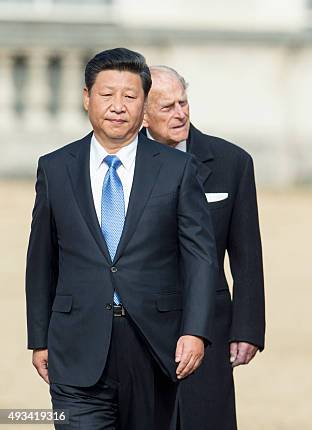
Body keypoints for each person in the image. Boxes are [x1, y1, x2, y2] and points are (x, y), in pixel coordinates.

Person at [25, 48, 218, 429]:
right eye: (106, 94)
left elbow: (200, 257)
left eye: (130, 97)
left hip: (154, 344)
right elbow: (41, 259)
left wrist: (195, 330)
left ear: (144, 104)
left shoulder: (178, 169)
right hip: (76, 343)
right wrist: (39, 336)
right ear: (86, 98)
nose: (117, 106)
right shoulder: (55, 167)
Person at [142, 65, 265, 430]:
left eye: (183, 102)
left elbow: (247, 257)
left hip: (210, 325)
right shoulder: (121, 164)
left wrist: (247, 328)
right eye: (167, 107)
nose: (180, 113)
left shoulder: (232, 163)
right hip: (142, 324)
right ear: (143, 115)